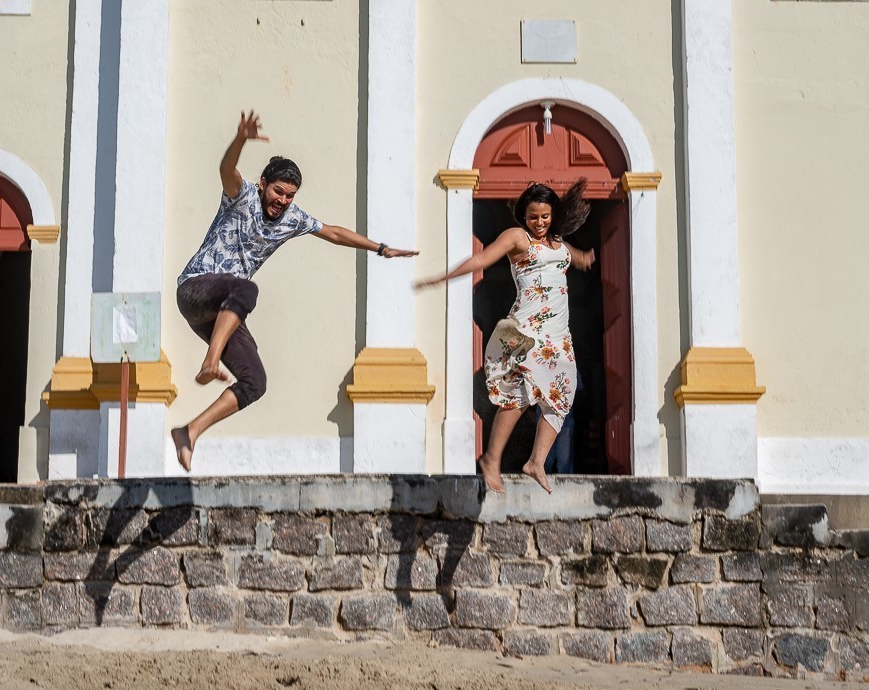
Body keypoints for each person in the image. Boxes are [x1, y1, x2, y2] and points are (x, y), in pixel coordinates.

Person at [171, 110, 417, 472]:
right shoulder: (242, 197)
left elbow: (333, 232)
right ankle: (211, 361)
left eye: (289, 195)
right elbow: (226, 168)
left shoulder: (293, 218)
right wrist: (240, 138)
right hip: (195, 288)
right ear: (263, 184)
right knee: (246, 289)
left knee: (255, 382)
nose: (282, 200)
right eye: (278, 191)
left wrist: (380, 248)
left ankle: (189, 432)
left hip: (223, 309)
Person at [417, 180, 594, 494]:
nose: (538, 223)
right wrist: (443, 277)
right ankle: (491, 459)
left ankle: (535, 462)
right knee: (520, 395)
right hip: (530, 329)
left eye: (544, 216)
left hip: (558, 335)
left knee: (561, 400)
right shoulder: (518, 238)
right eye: (532, 217)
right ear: (523, 217)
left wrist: (582, 257)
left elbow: (573, 256)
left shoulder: (558, 242)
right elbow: (482, 260)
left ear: (553, 214)